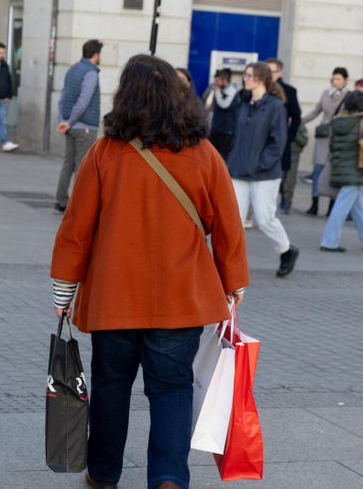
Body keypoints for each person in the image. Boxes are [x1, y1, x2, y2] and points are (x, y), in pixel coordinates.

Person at [51, 54, 248, 489]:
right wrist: (233, 283)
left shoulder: (106, 152)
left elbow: (76, 228)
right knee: (172, 389)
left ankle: (103, 473)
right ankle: (168, 477)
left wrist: (63, 290)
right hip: (181, 301)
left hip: (114, 299)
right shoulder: (204, 154)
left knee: (111, 387)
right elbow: (229, 226)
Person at [227, 62, 299, 278]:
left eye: (249, 75)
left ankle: (286, 250)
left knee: (264, 218)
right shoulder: (243, 103)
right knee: (234, 220)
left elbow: (278, 143)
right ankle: (230, 264)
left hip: (264, 174)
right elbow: (236, 136)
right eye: (245, 75)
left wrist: (259, 164)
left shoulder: (275, 107)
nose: (245, 79)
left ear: (261, 79)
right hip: (239, 170)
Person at [319, 91, 363, 252]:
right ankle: (329, 241)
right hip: (354, 169)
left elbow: (332, 146)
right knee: (341, 207)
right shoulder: (362, 121)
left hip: (339, 167)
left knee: (358, 204)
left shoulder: (337, 120)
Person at [54, 39, 102, 213]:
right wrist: (70, 121)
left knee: (68, 163)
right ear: (96, 55)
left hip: (70, 125)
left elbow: (63, 96)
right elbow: (84, 101)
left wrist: (63, 120)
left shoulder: (73, 69)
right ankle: (77, 205)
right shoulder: (91, 73)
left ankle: (61, 200)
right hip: (84, 127)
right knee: (82, 166)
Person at [302, 67, 349, 215]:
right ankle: (314, 203)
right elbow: (316, 112)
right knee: (318, 170)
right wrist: (299, 121)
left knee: (333, 173)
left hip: (339, 138)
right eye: (334, 78)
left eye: (339, 79)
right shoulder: (325, 93)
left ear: (345, 81)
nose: (335, 82)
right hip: (323, 138)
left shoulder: (349, 96)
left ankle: (331, 206)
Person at [266, 58, 302, 214]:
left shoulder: (289, 91)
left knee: (279, 175)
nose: (269, 75)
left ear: (280, 72)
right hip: (261, 140)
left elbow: (296, 117)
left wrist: (289, 136)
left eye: (272, 71)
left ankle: (279, 205)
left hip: (279, 142)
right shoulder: (260, 88)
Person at [203, 68, 239, 160]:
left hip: (226, 131)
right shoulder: (213, 88)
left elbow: (224, 104)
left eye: (217, 80)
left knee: (224, 157)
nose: (215, 82)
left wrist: (218, 92)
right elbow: (205, 101)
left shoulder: (232, 91)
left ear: (225, 80)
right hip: (215, 129)